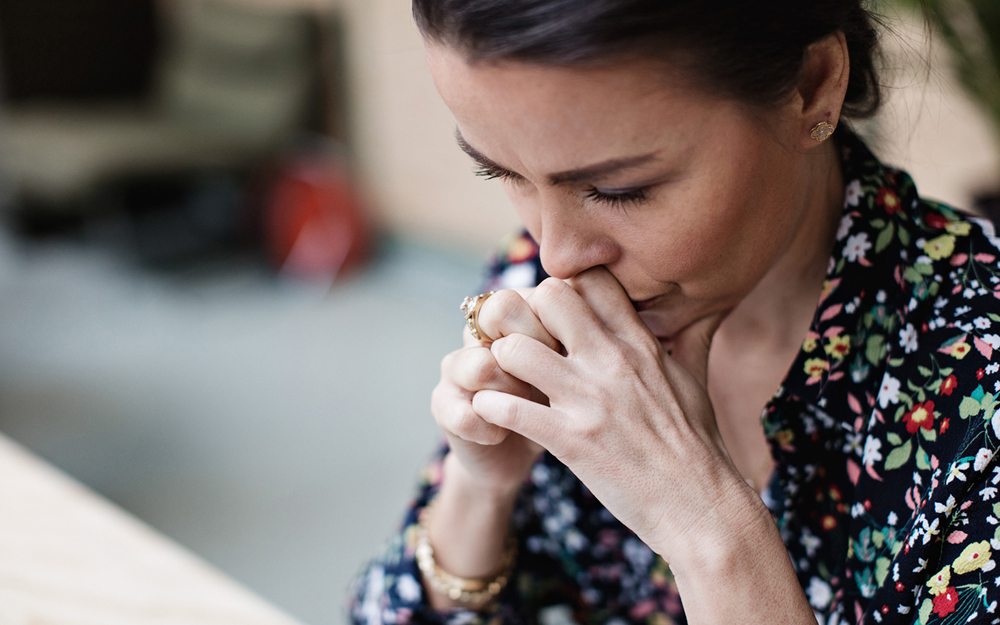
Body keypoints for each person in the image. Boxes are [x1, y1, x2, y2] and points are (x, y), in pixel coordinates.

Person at [349, 2, 1000, 624]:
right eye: (503, 174)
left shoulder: (980, 382)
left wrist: (707, 526)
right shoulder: (537, 281)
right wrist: (479, 487)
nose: (560, 255)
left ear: (812, 85)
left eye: (619, 189)